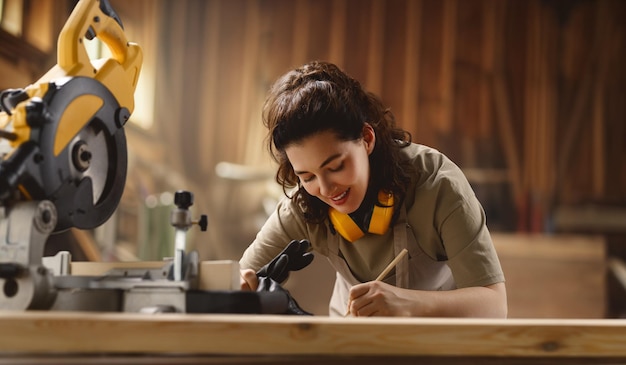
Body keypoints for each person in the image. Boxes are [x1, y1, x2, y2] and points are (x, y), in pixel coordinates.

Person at [239, 61, 507, 318]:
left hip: (435, 350)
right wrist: (258, 297)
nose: (325, 188)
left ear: (366, 138)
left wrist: (408, 303)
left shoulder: (437, 184)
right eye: (307, 176)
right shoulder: (306, 202)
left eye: (335, 166)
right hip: (348, 348)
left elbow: (494, 306)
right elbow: (239, 279)